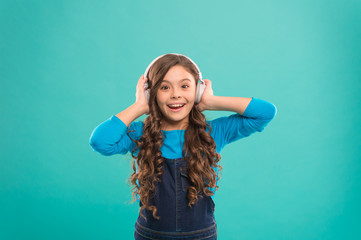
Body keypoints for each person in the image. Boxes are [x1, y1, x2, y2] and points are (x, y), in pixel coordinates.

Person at [89, 53, 277, 239]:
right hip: (151, 236)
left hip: (201, 236)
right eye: (164, 87)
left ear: (197, 91)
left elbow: (265, 112)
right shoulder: (139, 134)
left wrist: (210, 101)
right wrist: (139, 106)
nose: (176, 94)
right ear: (151, 93)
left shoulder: (212, 132)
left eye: (185, 86)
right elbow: (100, 142)